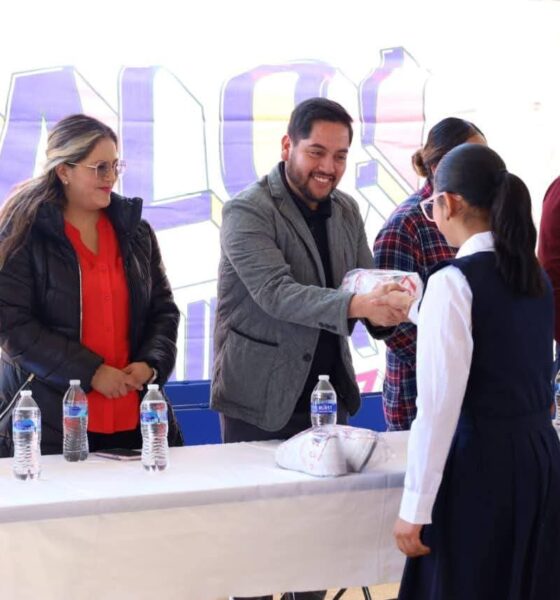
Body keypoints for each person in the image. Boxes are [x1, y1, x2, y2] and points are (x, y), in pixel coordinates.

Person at [212, 97, 409, 600]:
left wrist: (391, 308)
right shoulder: (247, 210)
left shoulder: (346, 209)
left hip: (326, 397)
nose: (329, 167)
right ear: (287, 146)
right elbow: (276, 293)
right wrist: (362, 302)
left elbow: (362, 281)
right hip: (259, 399)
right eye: (317, 152)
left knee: (317, 545)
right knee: (258, 548)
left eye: (340, 156)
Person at [391, 143, 560, 599]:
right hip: (540, 456)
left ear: (448, 202)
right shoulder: (533, 275)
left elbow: (437, 410)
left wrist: (415, 507)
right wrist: (417, 309)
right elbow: (499, 335)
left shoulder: (453, 281)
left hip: (481, 466)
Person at [0, 114, 182, 456]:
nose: (111, 177)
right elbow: (12, 326)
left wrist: (151, 364)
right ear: (64, 171)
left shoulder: (137, 233)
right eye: (99, 168)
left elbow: (164, 311)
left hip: (135, 421)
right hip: (51, 423)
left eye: (115, 166)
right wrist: (90, 373)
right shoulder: (23, 234)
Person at [372, 118, 486, 430]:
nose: (483, 169)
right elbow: (392, 323)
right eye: (472, 159)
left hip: (478, 394)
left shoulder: (484, 217)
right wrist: (456, 361)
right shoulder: (404, 226)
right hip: (419, 398)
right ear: (437, 168)